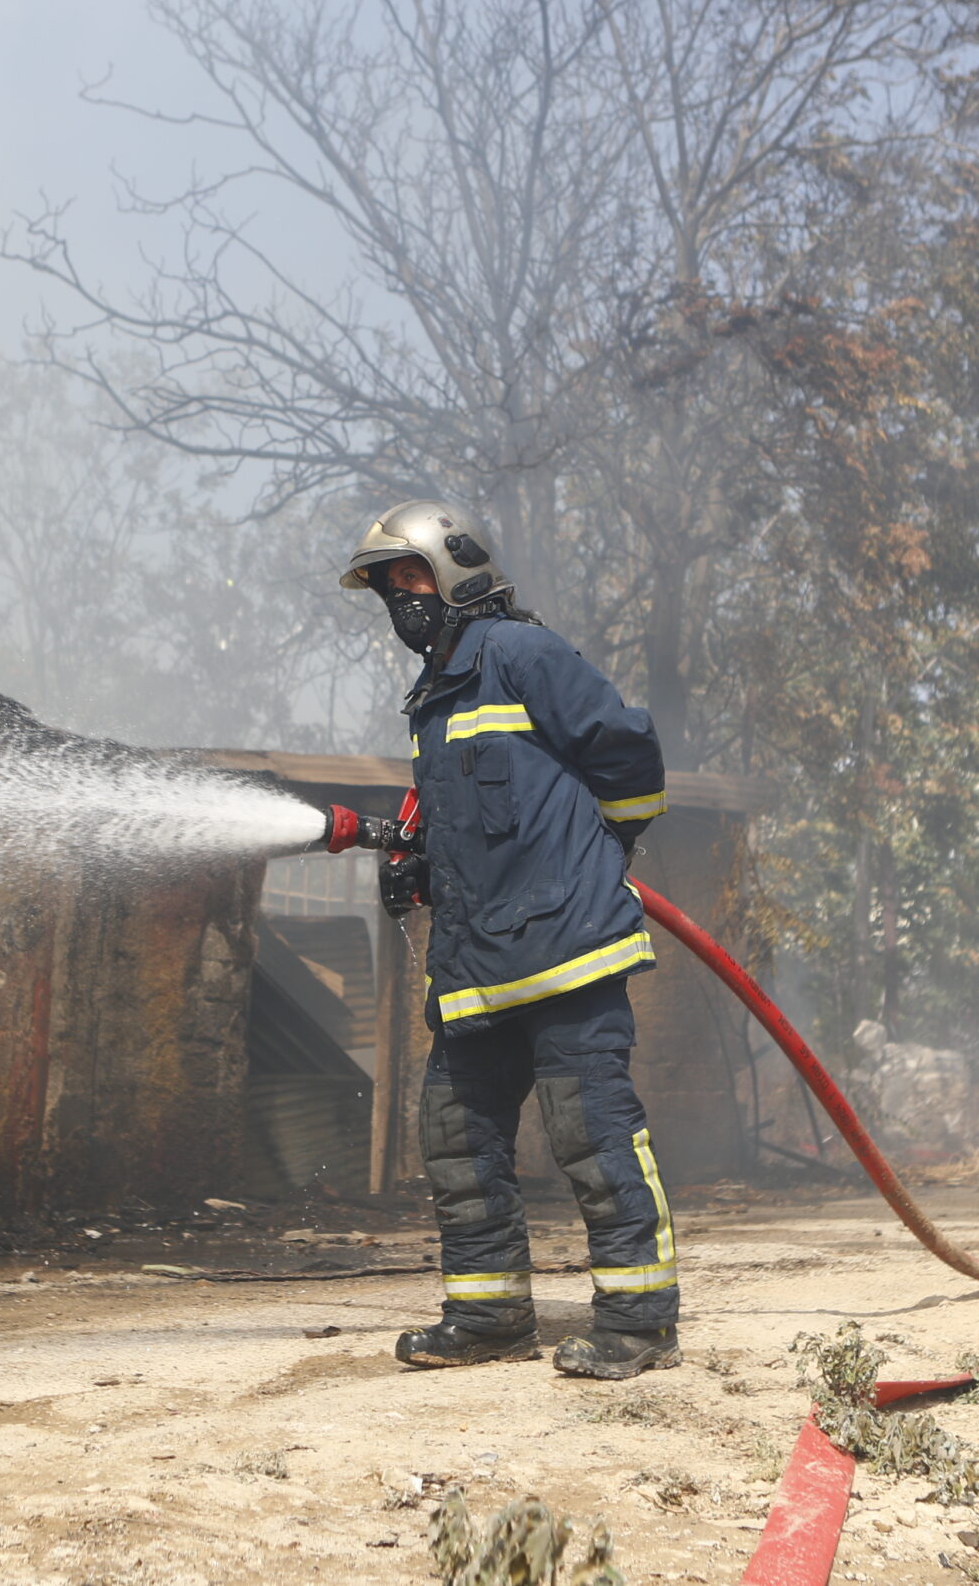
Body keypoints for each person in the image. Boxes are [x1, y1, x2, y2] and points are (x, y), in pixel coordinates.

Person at [341, 499, 681, 1380]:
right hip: (477, 968)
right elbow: (468, 827)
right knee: (454, 1135)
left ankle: (639, 1323)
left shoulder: (525, 656)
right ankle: (490, 1315)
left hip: (567, 953)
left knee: (591, 1132)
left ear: (455, 574)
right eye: (387, 589)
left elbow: (628, 759)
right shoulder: (431, 702)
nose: (399, 602)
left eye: (410, 579)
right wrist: (420, 870)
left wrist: (607, 847)